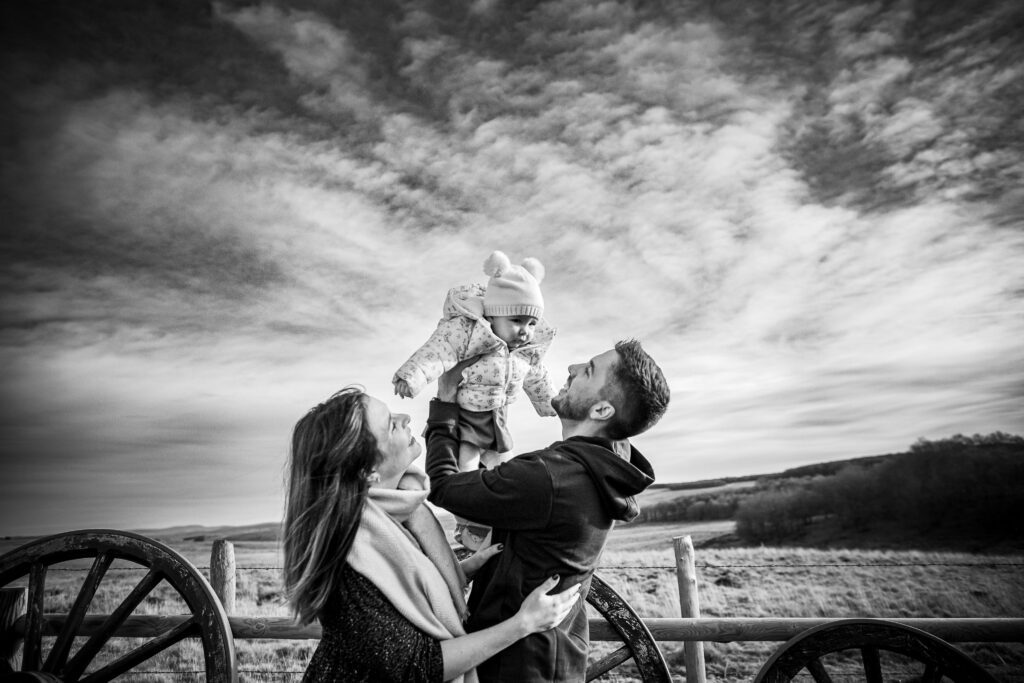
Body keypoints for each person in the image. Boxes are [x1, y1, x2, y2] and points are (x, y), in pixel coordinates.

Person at [282, 386, 582, 683]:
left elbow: (401, 592)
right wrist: (523, 623)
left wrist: (458, 571)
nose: (405, 418)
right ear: (368, 471)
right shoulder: (352, 551)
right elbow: (418, 667)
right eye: (391, 425)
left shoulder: (399, 514)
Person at [424, 339, 670, 682]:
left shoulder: (550, 476)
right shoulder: (606, 467)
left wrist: (446, 400)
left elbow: (443, 486)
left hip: (515, 667)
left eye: (588, 370)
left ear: (601, 411)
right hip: (554, 656)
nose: (571, 369)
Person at [393, 250, 558, 550]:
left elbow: (537, 376)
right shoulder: (470, 333)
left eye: (532, 323)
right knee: (465, 475)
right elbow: (438, 352)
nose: (526, 331)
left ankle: (500, 523)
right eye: (518, 320)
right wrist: (413, 376)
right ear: (494, 313)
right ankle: (469, 527)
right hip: (467, 422)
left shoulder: (523, 351)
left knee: (506, 473)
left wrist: (551, 403)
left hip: (498, 423)